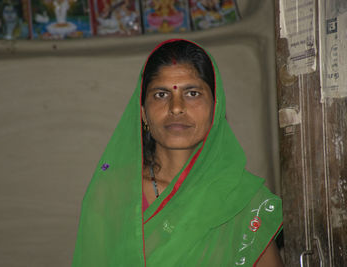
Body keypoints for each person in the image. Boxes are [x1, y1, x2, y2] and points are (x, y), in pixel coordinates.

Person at [72, 39, 283, 266]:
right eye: (161, 95)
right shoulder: (114, 191)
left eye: (192, 93)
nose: (176, 108)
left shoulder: (242, 199)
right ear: (143, 113)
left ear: (216, 107)